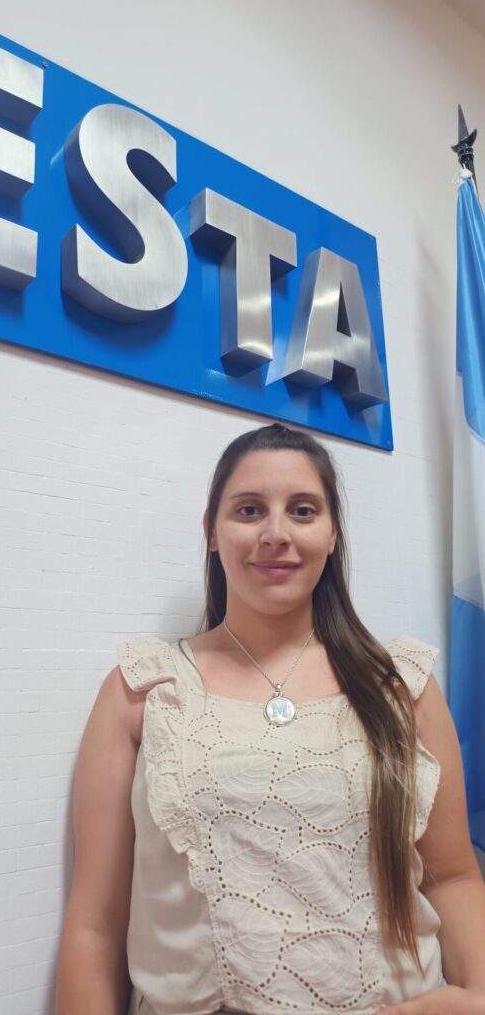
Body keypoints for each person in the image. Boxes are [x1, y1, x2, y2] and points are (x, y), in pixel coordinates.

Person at [55, 422, 485, 1015]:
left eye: (303, 511)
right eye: (249, 510)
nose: (275, 534)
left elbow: (452, 876)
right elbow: (95, 924)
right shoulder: (146, 690)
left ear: (332, 535)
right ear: (211, 532)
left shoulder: (400, 688)